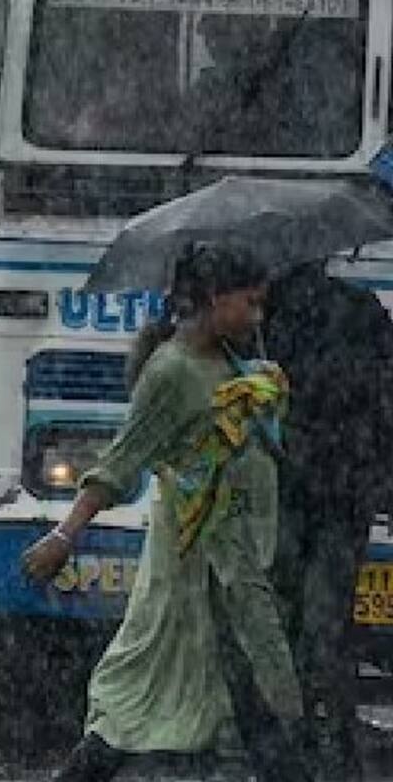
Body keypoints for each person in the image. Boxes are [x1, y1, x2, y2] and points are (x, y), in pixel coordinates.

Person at [22, 242, 310, 782]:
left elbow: (230, 442)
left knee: (243, 686)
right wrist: (64, 537)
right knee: (160, 684)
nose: (258, 317)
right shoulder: (170, 371)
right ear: (214, 299)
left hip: (233, 559)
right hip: (189, 563)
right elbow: (121, 463)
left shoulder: (228, 360)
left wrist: (260, 396)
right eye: (249, 304)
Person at [262, 260, 393, 781]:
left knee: (288, 612)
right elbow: (385, 400)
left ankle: (297, 729)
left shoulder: (263, 316)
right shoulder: (361, 310)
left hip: (294, 485)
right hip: (344, 487)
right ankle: (329, 732)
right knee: (326, 618)